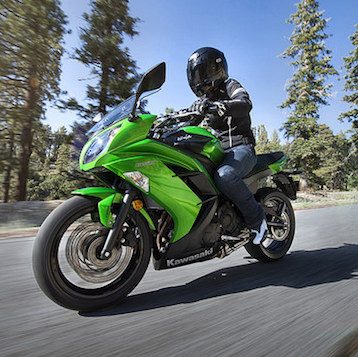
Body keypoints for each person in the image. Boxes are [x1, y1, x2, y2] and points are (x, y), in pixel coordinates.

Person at [186, 47, 267, 245]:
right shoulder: (204, 100)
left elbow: (245, 102)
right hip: (219, 151)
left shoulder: (231, 85)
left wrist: (225, 106)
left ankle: (258, 221)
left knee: (225, 175)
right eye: (196, 74)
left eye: (202, 72)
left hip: (242, 148)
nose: (200, 78)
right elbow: (189, 122)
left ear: (215, 68)